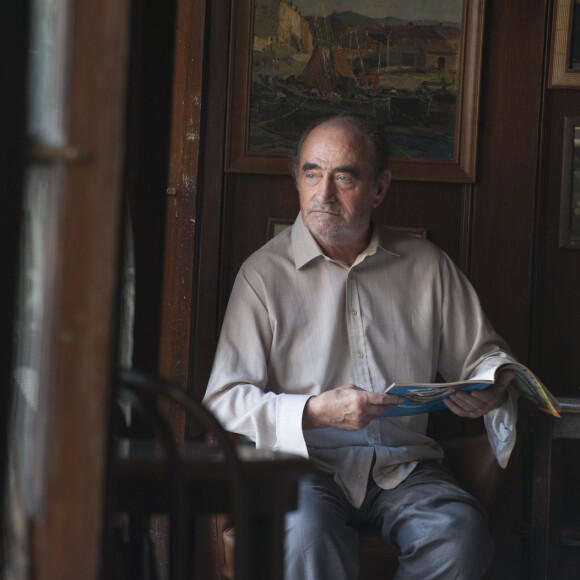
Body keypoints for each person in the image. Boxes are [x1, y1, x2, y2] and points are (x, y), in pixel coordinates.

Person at [203, 115, 518, 580]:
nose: (323, 193)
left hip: (405, 467)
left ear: (379, 188)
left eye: (344, 176)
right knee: (302, 535)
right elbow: (224, 401)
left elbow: (484, 356)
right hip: (303, 467)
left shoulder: (427, 266)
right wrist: (313, 413)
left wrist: (493, 387)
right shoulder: (262, 275)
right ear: (297, 180)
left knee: (459, 535)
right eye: (311, 173)